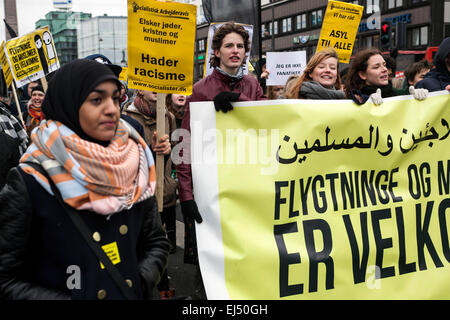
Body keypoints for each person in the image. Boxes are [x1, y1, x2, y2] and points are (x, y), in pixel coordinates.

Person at [0, 59, 169, 300]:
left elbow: (156, 242)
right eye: (97, 100)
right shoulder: (29, 181)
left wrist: (138, 282)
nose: (112, 109)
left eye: (115, 98)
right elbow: (6, 278)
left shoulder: (135, 162)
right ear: (69, 104)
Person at [176, 21, 266, 300]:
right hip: (210, 190)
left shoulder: (253, 84)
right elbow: (184, 143)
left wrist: (241, 104)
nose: (235, 50)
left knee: (246, 253)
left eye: (240, 46)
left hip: (244, 186)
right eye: (229, 45)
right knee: (211, 259)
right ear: (216, 52)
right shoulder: (201, 89)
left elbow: (263, 129)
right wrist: (187, 196)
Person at [122, 90, 177, 299]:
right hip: (139, 193)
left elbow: (176, 154)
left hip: (164, 190)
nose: (156, 89)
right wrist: (150, 151)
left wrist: (168, 150)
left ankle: (164, 288)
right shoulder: (126, 118)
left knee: (162, 243)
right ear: (139, 89)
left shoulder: (168, 117)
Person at [344, 48, 428, 105]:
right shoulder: (354, 100)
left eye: (384, 65)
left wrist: (416, 101)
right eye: (376, 67)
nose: (384, 69)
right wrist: (366, 101)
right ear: (363, 75)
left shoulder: (398, 94)